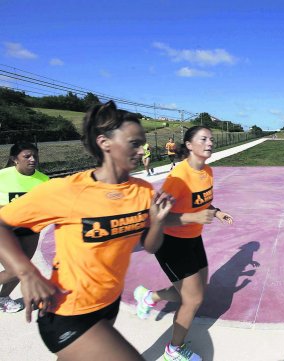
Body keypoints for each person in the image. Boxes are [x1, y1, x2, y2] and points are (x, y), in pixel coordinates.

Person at [0, 101, 175, 360]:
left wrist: (158, 222)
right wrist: (27, 273)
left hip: (107, 304)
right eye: (134, 143)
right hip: (66, 310)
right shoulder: (66, 190)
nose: (142, 150)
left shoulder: (144, 190)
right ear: (105, 142)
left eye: (142, 143)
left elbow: (150, 246)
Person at [134, 126, 234, 361]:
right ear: (189, 145)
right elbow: (156, 217)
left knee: (197, 290)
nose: (210, 142)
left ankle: (150, 297)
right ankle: (173, 351)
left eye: (211, 138)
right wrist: (193, 218)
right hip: (171, 242)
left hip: (192, 238)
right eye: (203, 139)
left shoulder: (208, 171)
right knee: (194, 299)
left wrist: (216, 212)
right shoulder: (178, 177)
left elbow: (200, 203)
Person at [0, 142, 49, 313]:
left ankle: (3, 297)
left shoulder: (44, 180)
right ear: (14, 159)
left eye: (35, 155)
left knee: (23, 268)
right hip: (4, 231)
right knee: (17, 270)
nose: (33, 159)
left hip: (30, 231)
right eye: (27, 156)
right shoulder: (2, 176)